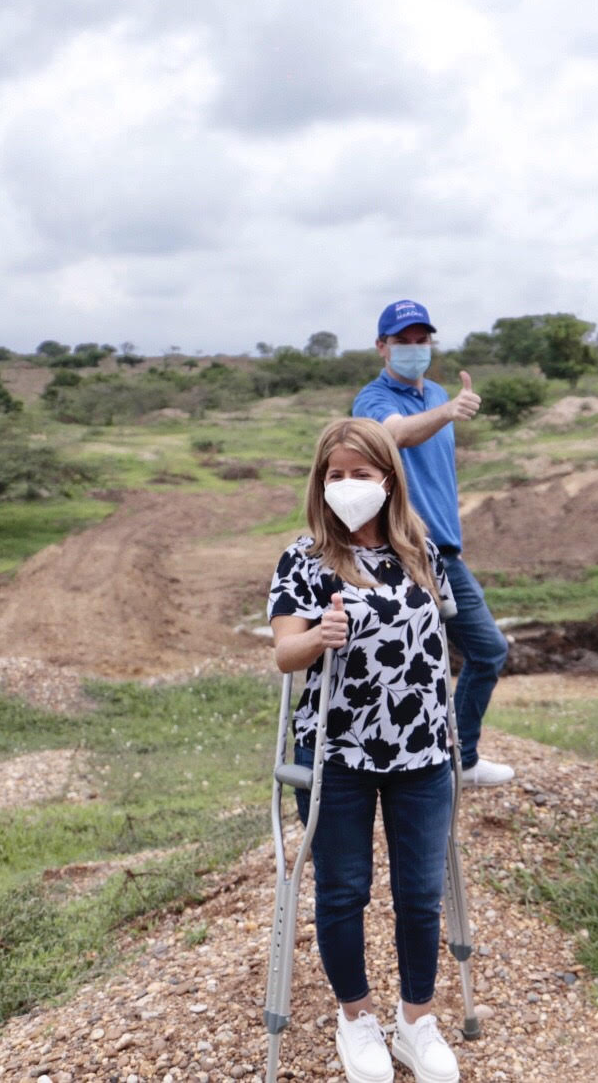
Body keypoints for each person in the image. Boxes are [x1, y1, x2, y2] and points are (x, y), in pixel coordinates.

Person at [268, 416, 463, 1083]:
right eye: (337, 473)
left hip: (421, 753)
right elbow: (283, 652)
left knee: (420, 892)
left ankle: (417, 1021)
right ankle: (357, 1021)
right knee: (345, 891)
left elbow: (446, 637)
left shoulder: (421, 552)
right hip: (337, 753)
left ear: (388, 479)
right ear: (321, 483)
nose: (348, 484)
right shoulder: (303, 559)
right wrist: (319, 635)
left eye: (362, 472)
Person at [355, 299, 514, 788]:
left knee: (477, 653)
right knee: (423, 660)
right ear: (382, 347)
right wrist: (447, 412)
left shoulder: (440, 392)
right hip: (401, 551)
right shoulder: (373, 398)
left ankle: (456, 759)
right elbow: (393, 435)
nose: (412, 348)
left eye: (421, 340)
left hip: (444, 551)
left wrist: (444, 406)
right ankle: (420, 765)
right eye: (402, 341)